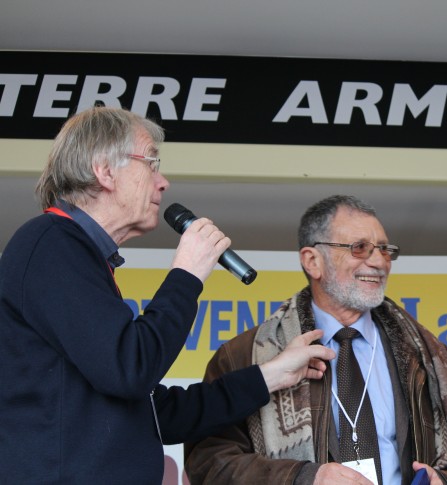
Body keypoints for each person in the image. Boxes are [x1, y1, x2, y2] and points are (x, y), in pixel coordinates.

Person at [0, 107, 334, 483]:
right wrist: (187, 274)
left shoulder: (76, 254)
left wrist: (271, 375)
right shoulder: (52, 243)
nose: (163, 182)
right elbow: (131, 371)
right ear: (104, 170)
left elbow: (157, 411)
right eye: (151, 163)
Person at [184, 195, 447, 485]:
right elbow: (209, 463)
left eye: (385, 250)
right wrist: (305, 478)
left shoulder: (431, 358)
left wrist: (446, 481)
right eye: (359, 248)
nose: (378, 262)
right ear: (312, 261)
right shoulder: (243, 357)